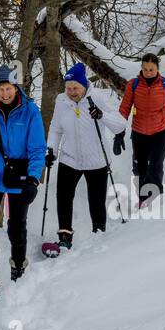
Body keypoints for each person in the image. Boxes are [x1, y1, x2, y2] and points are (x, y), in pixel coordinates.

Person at [0, 64, 46, 285]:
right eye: (0, 89)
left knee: (16, 225)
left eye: (9, 88)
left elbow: (37, 149)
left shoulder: (30, 111)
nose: (5, 93)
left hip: (19, 175)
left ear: (16, 87)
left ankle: (18, 271)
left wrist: (34, 178)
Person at [45, 63, 126, 248]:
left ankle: (99, 235)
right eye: (68, 88)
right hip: (69, 159)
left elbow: (120, 125)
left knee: (96, 201)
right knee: (63, 198)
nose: (72, 92)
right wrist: (51, 150)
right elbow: (56, 129)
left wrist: (101, 115)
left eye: (75, 88)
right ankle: (65, 237)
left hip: (96, 160)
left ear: (84, 85)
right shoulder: (61, 101)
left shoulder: (96, 97)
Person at [114, 52, 165, 205]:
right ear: (141, 68)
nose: (148, 73)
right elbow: (124, 110)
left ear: (157, 69)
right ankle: (143, 199)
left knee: (155, 165)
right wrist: (119, 134)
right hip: (139, 132)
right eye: (145, 69)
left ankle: (154, 200)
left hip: (161, 132)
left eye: (151, 69)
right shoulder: (133, 85)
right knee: (139, 168)